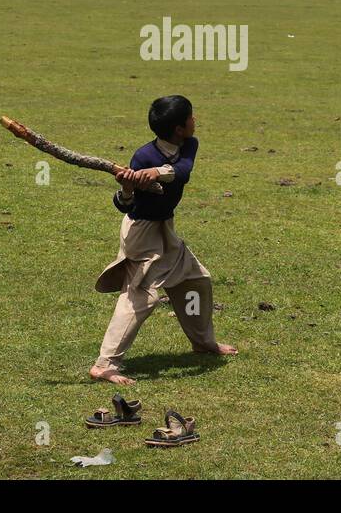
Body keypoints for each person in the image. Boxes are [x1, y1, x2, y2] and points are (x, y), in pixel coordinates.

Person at [89, 95, 237, 385]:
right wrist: (128, 188)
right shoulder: (143, 156)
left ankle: (203, 342)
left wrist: (157, 173)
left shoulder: (188, 145)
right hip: (142, 232)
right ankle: (105, 364)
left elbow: (182, 173)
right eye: (192, 117)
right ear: (179, 128)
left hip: (165, 228)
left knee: (195, 280)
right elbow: (126, 205)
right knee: (141, 296)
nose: (196, 120)